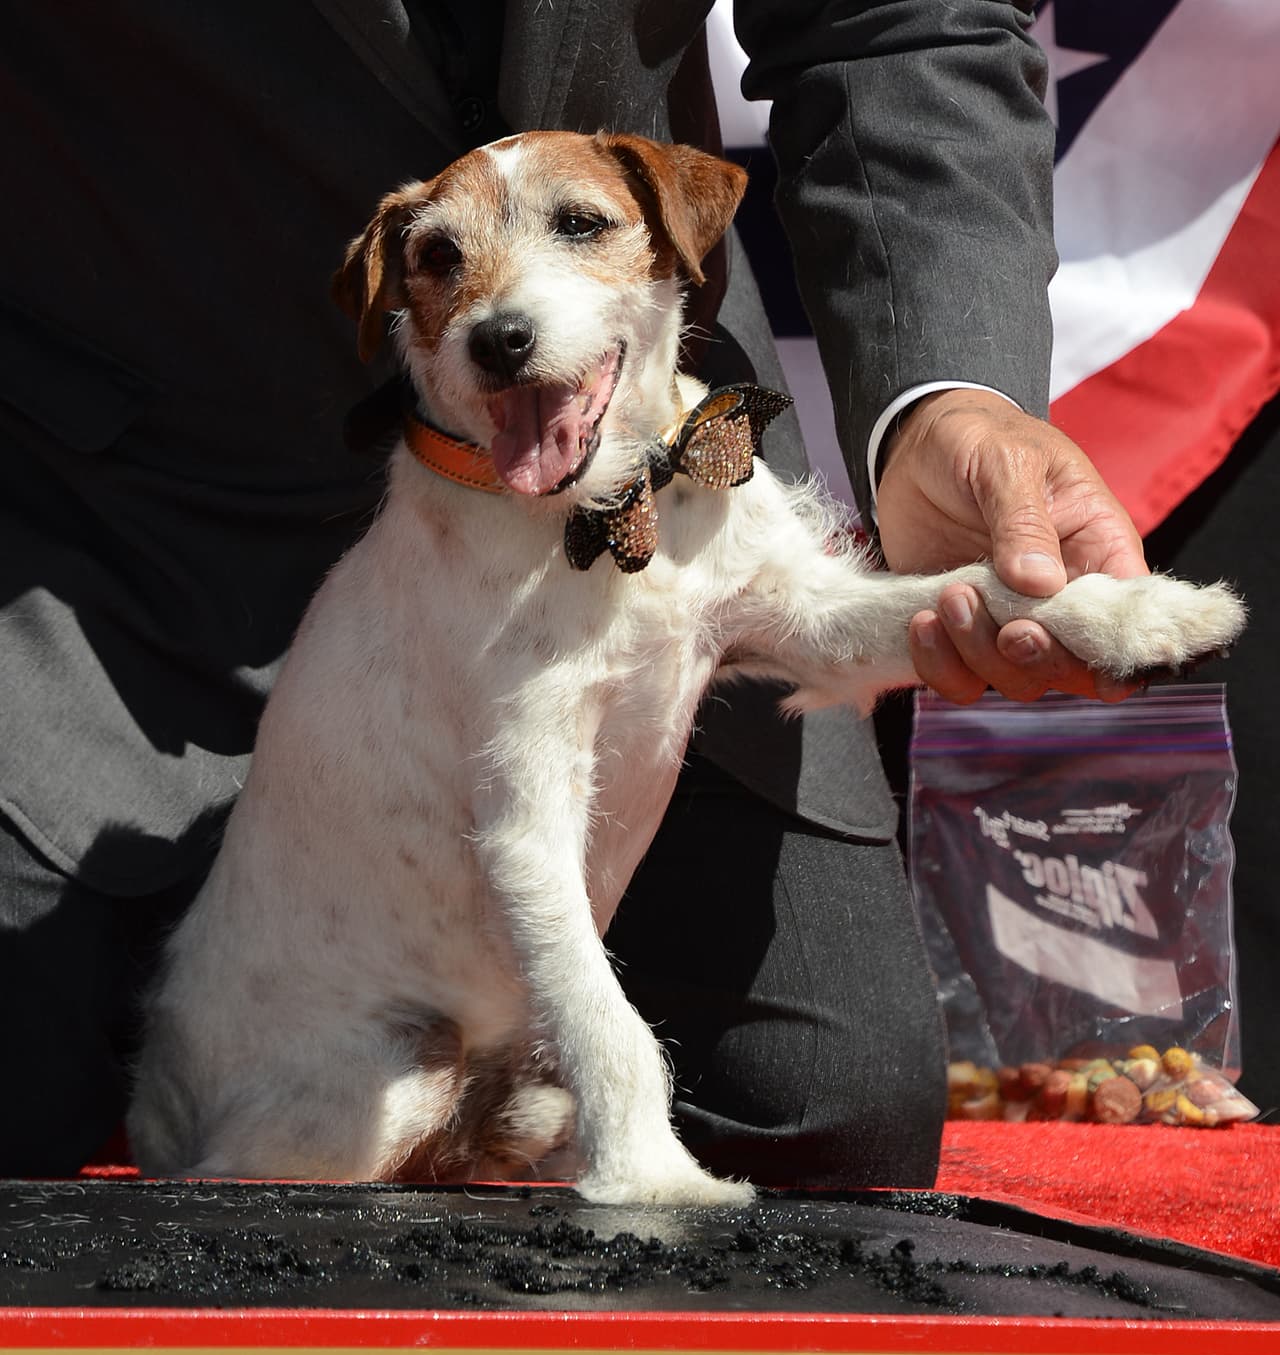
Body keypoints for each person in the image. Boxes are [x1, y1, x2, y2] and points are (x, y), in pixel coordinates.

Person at [0, 2, 1145, 1182]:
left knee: (835, 1118)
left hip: (652, 443)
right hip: (117, 518)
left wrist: (940, 401)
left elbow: (896, 18)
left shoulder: (681, 416)